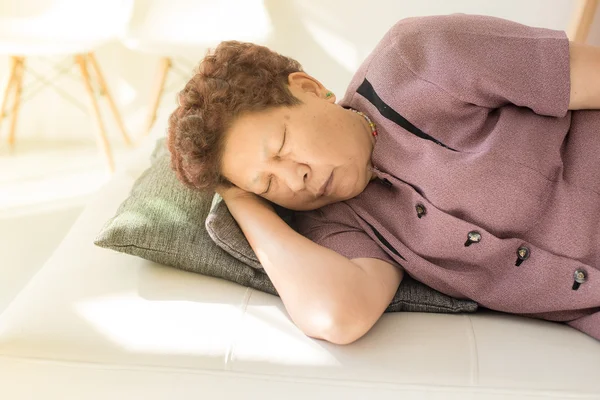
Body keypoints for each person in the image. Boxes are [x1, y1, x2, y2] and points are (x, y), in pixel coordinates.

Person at [167, 13, 600, 344]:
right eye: (267, 184)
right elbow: (337, 315)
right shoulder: (335, 224)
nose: (294, 180)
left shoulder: (416, 57)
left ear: (308, 87)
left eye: (281, 146)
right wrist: (240, 201)